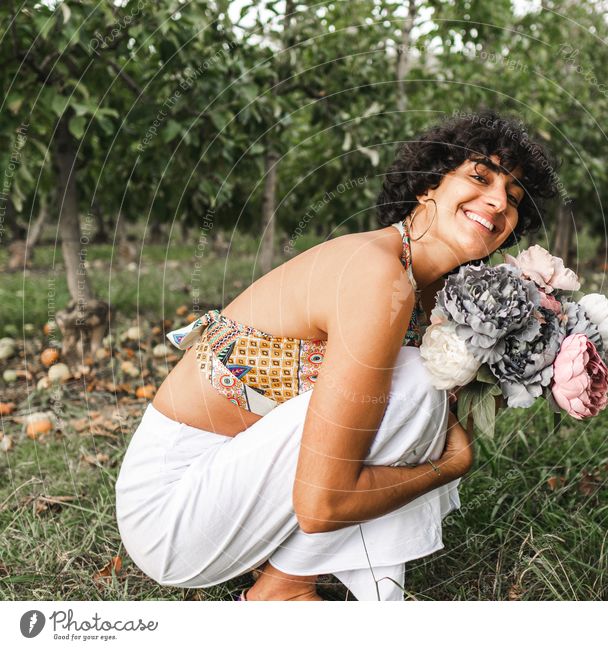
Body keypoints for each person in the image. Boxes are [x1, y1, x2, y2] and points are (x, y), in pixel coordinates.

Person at [115, 109, 556, 601]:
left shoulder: (438, 298)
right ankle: (282, 591)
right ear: (428, 184)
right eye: (480, 176)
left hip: (229, 491)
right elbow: (321, 503)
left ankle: (300, 576)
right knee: (414, 381)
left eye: (514, 198)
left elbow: (418, 430)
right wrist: (445, 468)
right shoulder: (375, 273)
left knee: (423, 383)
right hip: (172, 513)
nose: (498, 201)